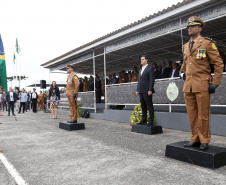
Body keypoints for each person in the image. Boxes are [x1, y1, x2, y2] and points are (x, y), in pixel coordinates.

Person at [180, 16, 224, 150]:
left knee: (203, 114)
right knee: (192, 114)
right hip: (188, 86)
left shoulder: (207, 43)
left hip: (202, 84)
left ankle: (204, 139)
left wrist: (215, 82)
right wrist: (181, 73)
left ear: (200, 28)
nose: (190, 28)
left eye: (193, 26)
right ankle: (195, 138)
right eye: (188, 26)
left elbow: (218, 63)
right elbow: (184, 64)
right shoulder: (185, 46)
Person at [136, 55, 155, 126]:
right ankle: (143, 120)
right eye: (141, 59)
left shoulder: (150, 68)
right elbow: (139, 81)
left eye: (143, 59)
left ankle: (151, 120)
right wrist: (137, 89)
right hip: (141, 91)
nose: (141, 60)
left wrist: (150, 89)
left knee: (149, 106)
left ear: (146, 60)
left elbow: (152, 80)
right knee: (143, 106)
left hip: (147, 91)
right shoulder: (140, 69)